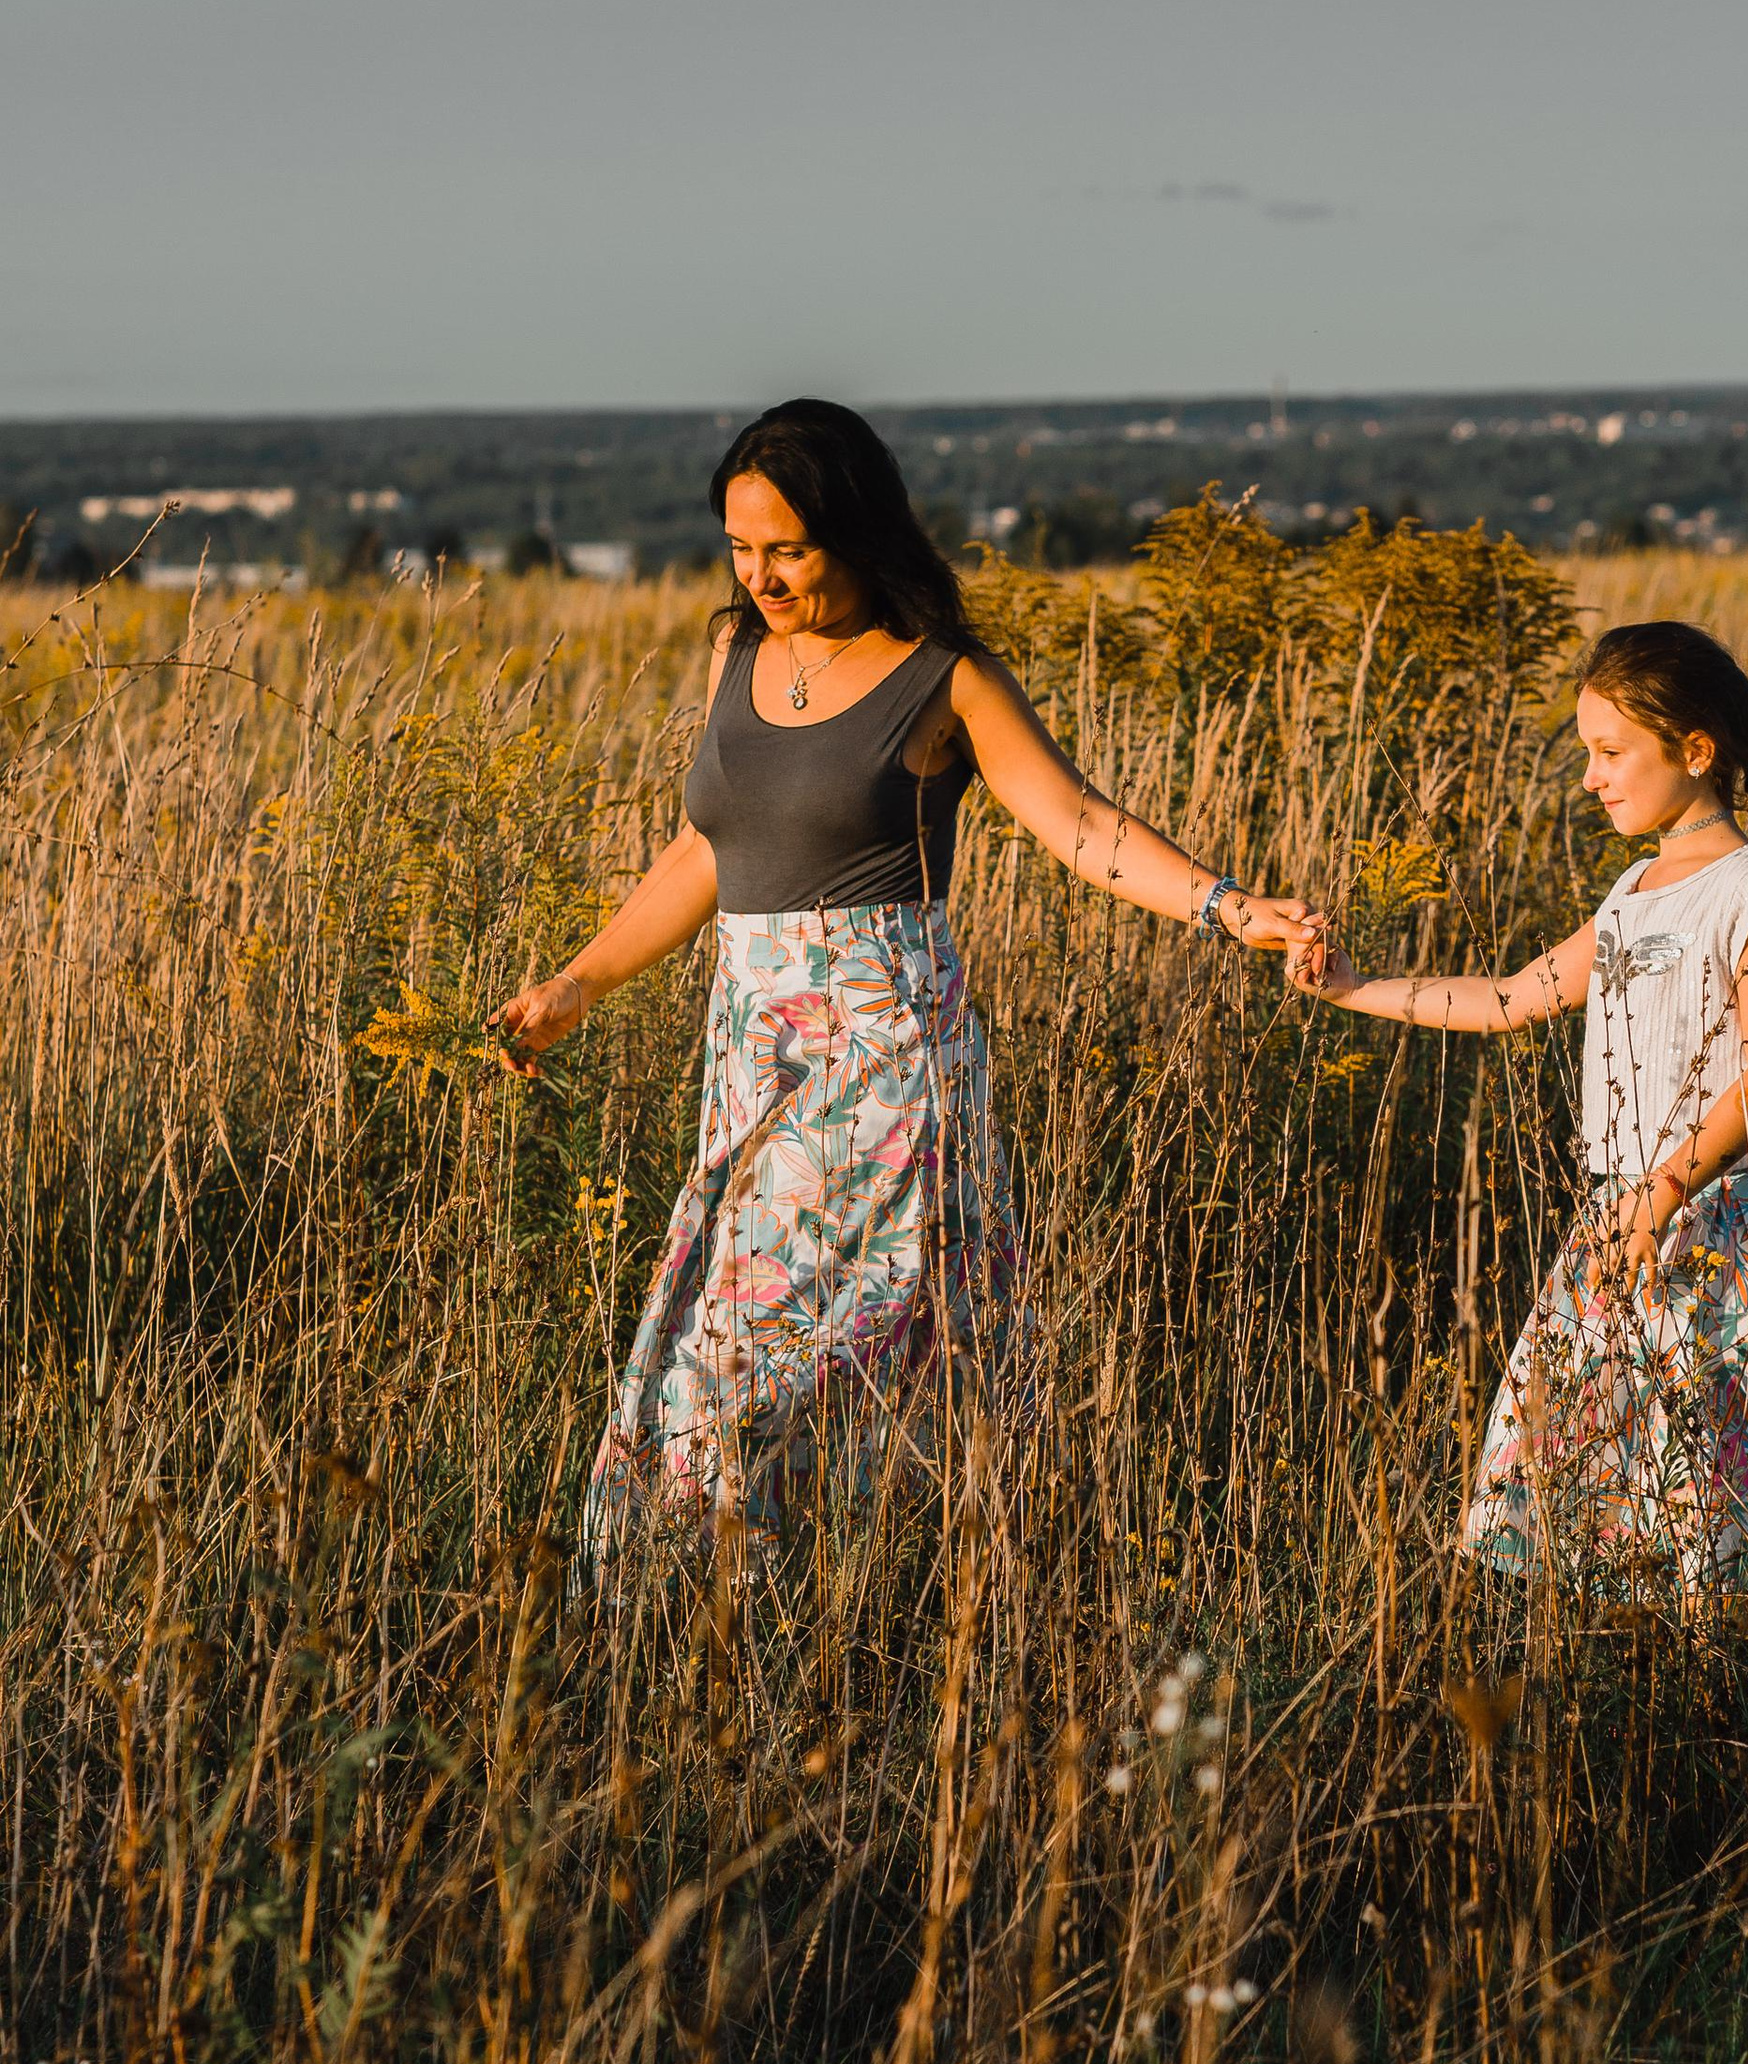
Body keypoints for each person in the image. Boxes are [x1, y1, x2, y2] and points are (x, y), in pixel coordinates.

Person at [492, 398, 1316, 1565]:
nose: (761, 576)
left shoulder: (943, 678)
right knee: (727, 1356)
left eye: (788, 548)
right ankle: (749, 1622)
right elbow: (704, 852)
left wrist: (1231, 907)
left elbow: (1079, 825)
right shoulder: (737, 653)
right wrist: (579, 984)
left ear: (858, 529)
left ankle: (873, 1593)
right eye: (740, 546)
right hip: (754, 1063)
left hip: (885, 1064)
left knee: (802, 1354)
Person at [1288, 618, 1748, 1598]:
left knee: (1711, 1502)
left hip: (1724, 1221)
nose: (1592, 777)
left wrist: (1668, 1185)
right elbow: (1510, 1000)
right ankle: (1635, 1699)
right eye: (1587, 753)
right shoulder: (1633, 892)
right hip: (1624, 1220)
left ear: (1693, 751)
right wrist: (1352, 988)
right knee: (1595, 1481)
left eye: (1609, 752)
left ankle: (1723, 1702)